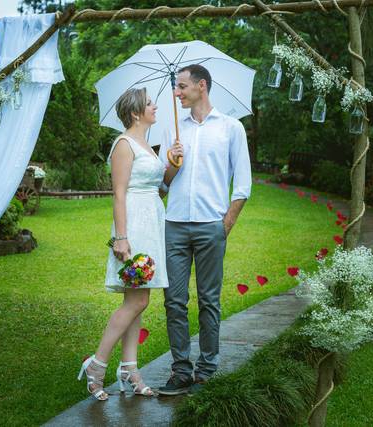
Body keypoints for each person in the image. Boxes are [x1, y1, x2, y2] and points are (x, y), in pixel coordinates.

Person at [78, 87, 183, 400]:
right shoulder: (123, 144)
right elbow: (119, 193)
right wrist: (121, 237)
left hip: (152, 222)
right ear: (136, 112)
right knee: (136, 300)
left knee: (139, 300)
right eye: (150, 103)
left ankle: (129, 368)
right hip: (134, 227)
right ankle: (97, 364)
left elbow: (159, 187)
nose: (155, 107)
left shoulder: (146, 146)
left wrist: (173, 163)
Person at [157, 64, 252, 395]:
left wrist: (224, 226)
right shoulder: (172, 129)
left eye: (182, 86)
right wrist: (171, 163)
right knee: (174, 301)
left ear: (202, 86)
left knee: (209, 301)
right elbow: (161, 187)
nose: (177, 92)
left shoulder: (231, 128)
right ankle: (181, 371)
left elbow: (242, 186)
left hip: (211, 227)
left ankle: (206, 371)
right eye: (176, 87)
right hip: (175, 227)